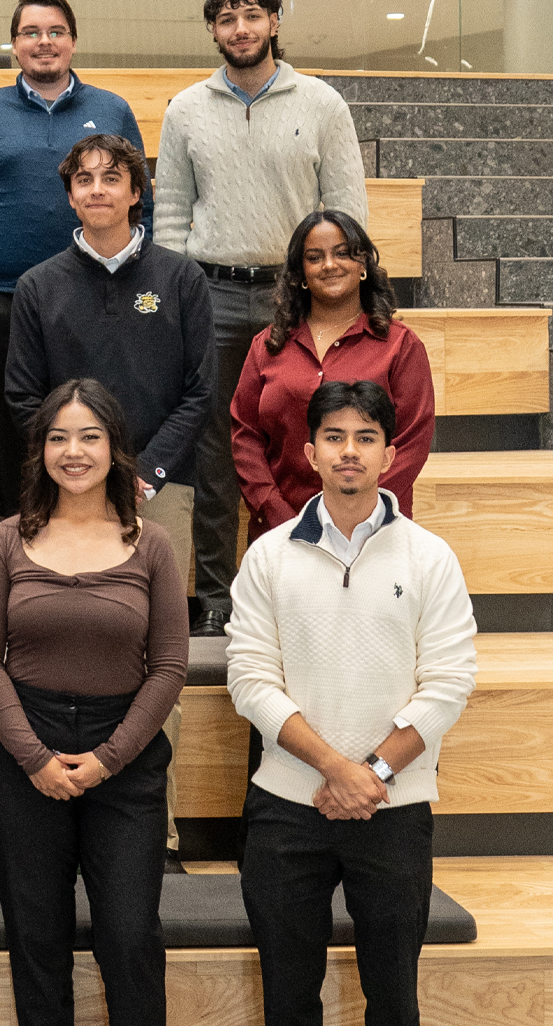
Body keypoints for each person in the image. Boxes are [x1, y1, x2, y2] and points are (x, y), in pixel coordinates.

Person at [227, 380, 477, 1026]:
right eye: (334, 437)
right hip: (288, 805)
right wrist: (340, 771)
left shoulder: (432, 558)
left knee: (394, 1000)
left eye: (365, 438)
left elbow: (448, 682)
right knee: (287, 998)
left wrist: (374, 775)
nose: (349, 452)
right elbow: (251, 681)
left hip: (395, 807)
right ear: (309, 452)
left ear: (389, 455)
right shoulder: (266, 558)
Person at [5, 134, 213, 872]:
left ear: (136, 193)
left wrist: (141, 474)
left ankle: (153, 837)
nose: (97, 190)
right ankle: (68, 819)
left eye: (112, 179)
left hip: (159, 498)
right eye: (84, 180)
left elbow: (198, 392)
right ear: (69, 196)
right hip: (62, 498)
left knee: (159, 667)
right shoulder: (39, 286)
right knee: (63, 659)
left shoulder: (180, 280)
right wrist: (79, 471)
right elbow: (24, 396)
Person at [0, 378, 187, 1026]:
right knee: (36, 940)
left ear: (117, 448)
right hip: (21, 754)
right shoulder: (8, 539)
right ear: (40, 451)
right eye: (59, 437)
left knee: (129, 936)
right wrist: (34, 758)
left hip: (127, 757)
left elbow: (170, 666)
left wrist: (108, 759)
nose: (74, 451)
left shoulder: (151, 544)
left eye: (90, 436)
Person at [152, 0, 369, 637]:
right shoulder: (187, 108)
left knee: (313, 441)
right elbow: (168, 213)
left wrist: (343, 293)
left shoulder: (322, 102)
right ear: (213, 32)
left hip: (301, 293)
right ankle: (219, 594)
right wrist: (175, 294)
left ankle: (314, 579)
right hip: (210, 293)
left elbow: (347, 207)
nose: (240, 29)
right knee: (216, 451)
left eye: (251, 16)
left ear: (274, 22)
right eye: (226, 19)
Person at [0, 0, 150, 541]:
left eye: (55, 31)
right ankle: (10, 560)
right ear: (14, 45)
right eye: (32, 32)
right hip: (5, 303)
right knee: (13, 439)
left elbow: (143, 202)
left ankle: (101, 551)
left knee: (88, 430)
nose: (44, 42)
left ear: (73, 41)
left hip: (93, 295)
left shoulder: (110, 109)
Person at [233, 211, 436, 538]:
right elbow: (245, 436)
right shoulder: (267, 346)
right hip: (282, 531)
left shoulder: (400, 347)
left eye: (342, 253)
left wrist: (355, 515)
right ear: (301, 274)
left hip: (373, 534)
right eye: (315, 257)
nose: (329, 265)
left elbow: (411, 441)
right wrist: (279, 512)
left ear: (363, 267)